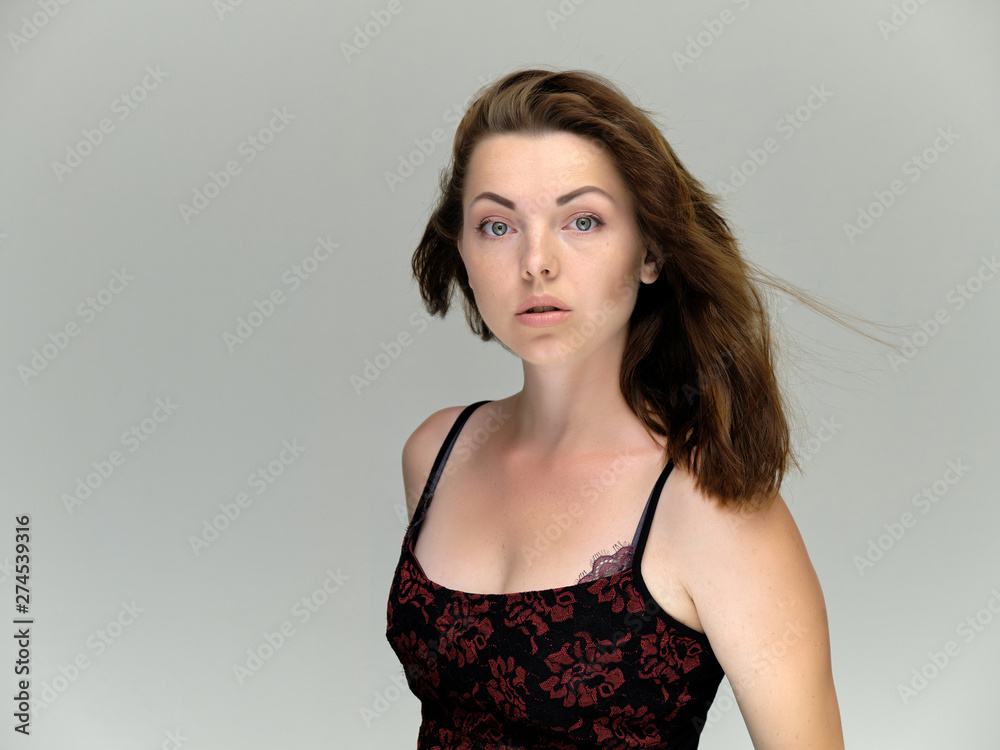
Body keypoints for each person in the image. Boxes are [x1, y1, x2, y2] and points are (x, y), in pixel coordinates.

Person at [386, 67, 868, 749]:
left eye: (582, 221)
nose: (536, 262)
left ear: (649, 252)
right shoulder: (438, 452)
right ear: (462, 251)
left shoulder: (709, 504)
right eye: (497, 226)